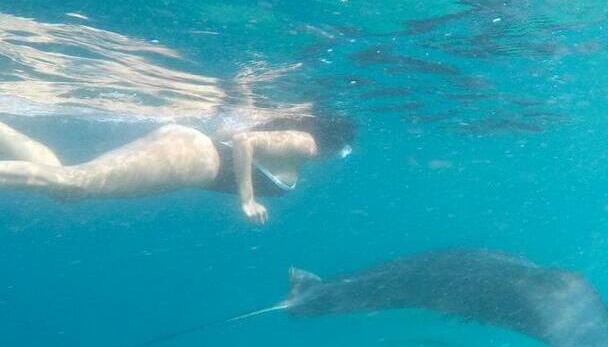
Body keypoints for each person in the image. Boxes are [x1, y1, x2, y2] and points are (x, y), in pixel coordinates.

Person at [0, 106, 356, 224]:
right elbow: (246, 142)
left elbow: (233, 132)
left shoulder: (294, 148)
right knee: (72, 183)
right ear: (334, 142)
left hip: (188, 149)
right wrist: (247, 199)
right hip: (189, 158)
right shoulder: (307, 145)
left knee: (70, 189)